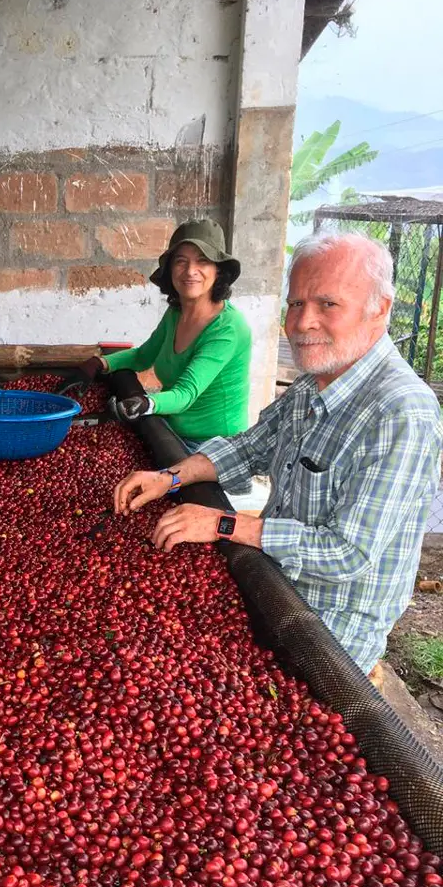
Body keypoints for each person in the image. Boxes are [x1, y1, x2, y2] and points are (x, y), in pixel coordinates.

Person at [113, 230, 443, 675]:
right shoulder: (313, 384)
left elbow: (347, 553)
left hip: (329, 636)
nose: (303, 322)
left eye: (328, 304)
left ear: (379, 309)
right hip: (276, 587)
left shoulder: (401, 413)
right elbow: (248, 447)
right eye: (296, 304)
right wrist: (169, 477)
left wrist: (222, 523)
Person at [79, 219, 252, 446]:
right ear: (170, 269)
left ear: (218, 270)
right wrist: (100, 363)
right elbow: (143, 356)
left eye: (203, 261)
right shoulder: (176, 312)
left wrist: (146, 403)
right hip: (174, 431)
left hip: (216, 447)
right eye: (181, 261)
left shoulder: (227, 328)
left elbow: (186, 394)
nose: (190, 271)